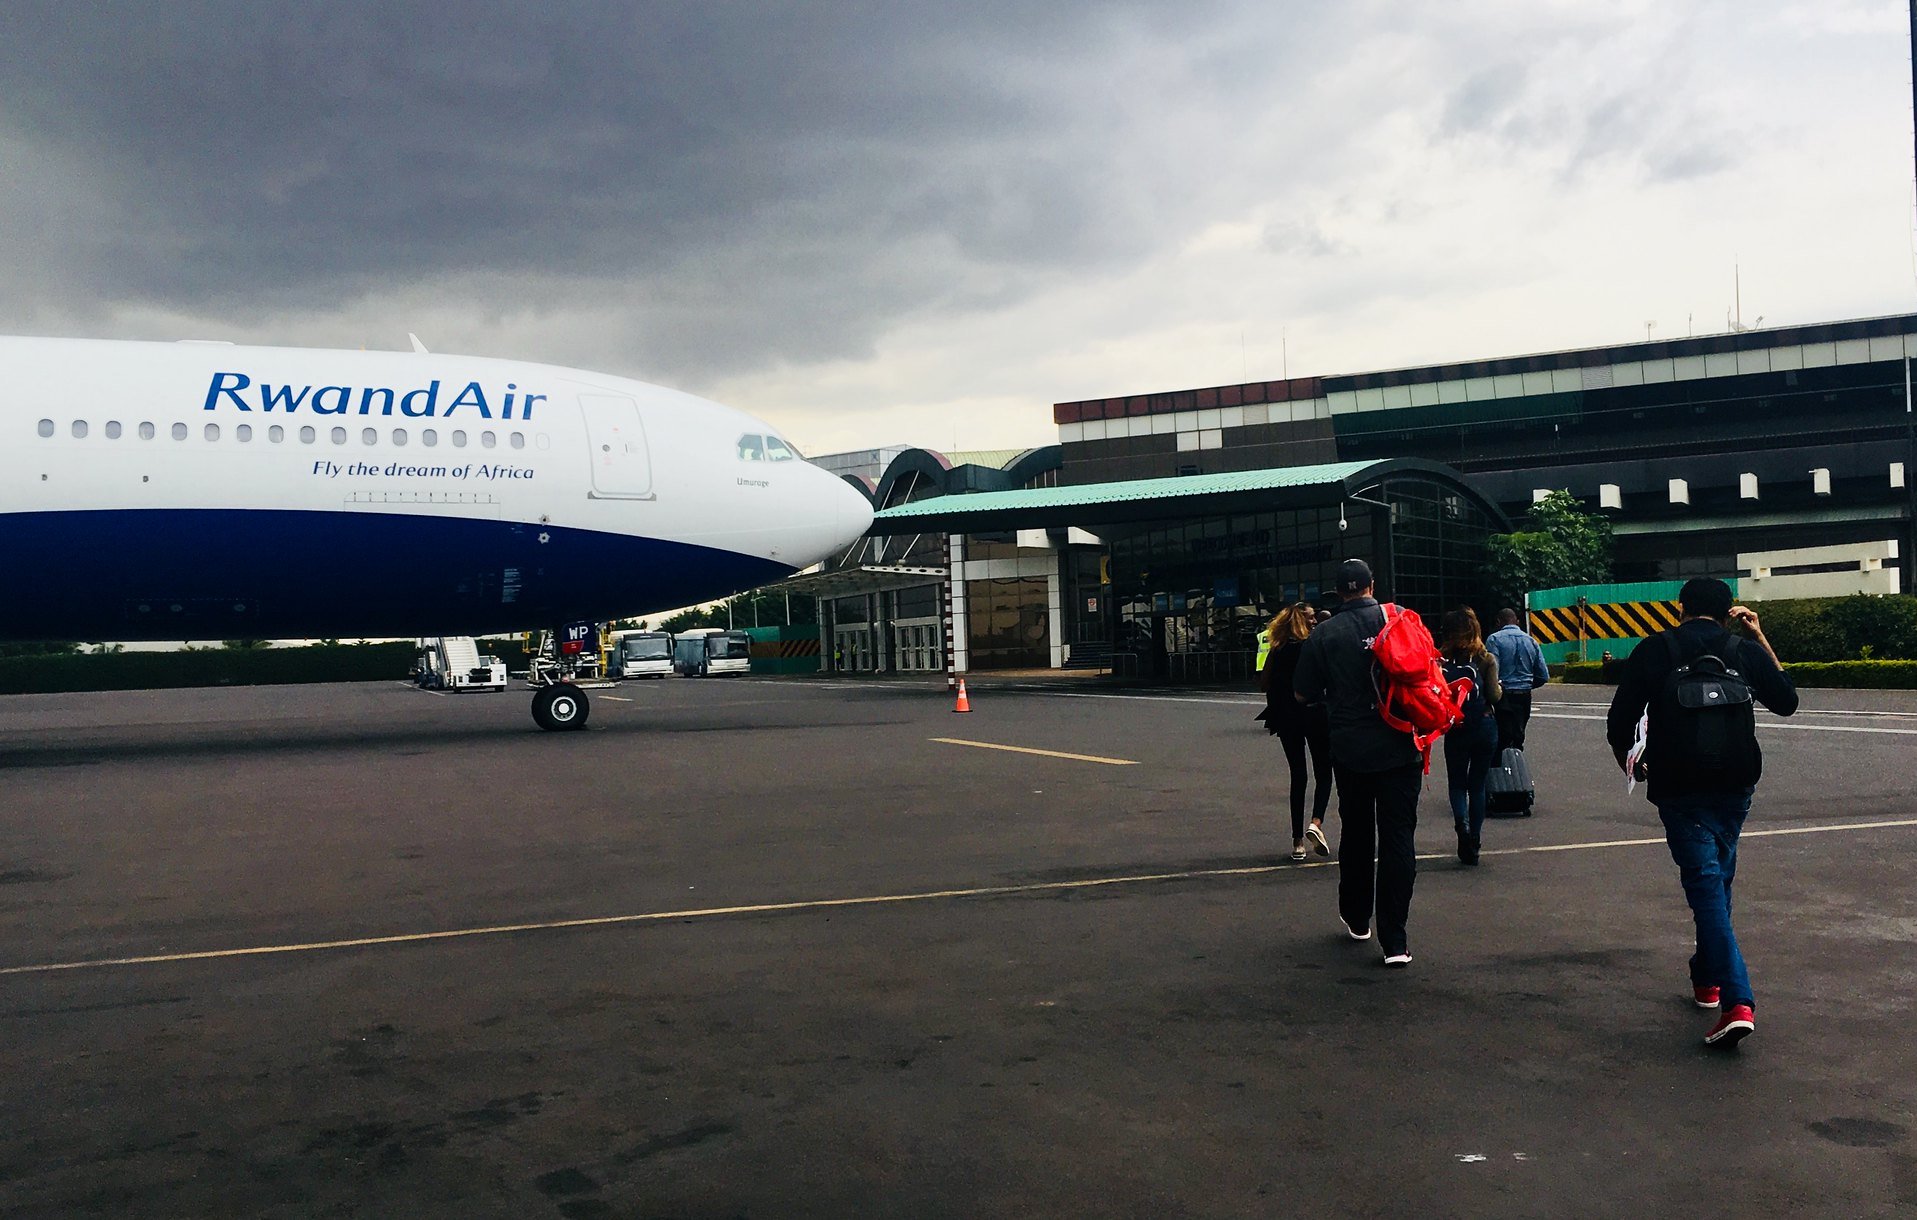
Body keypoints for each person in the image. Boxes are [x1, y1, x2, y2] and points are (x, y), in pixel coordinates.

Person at [1604, 578, 1797, 1049]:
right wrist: (1757, 636)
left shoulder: (1656, 649)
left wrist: (1632, 761)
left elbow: (1620, 719)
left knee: (1707, 886)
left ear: (1681, 607)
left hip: (1680, 786)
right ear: (1729, 610)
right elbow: (1787, 702)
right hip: (1736, 784)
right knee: (1718, 880)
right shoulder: (1741, 648)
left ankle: (1737, 1001)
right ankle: (1705, 977)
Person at [1292, 558, 1422, 967]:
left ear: (1339, 592)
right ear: (1371, 585)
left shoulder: (1325, 633)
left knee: (1358, 832)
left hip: (1350, 748)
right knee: (1399, 836)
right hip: (1402, 742)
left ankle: (1356, 916)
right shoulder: (1400, 618)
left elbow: (1302, 693)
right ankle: (1396, 941)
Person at [1256, 603, 1331, 861]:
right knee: (1324, 771)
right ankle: (1316, 822)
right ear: (1301, 620)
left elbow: (1264, 682)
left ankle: (1297, 840)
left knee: (1298, 775)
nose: (1314, 622)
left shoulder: (1277, 649)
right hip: (1313, 714)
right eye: (1310, 618)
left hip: (1286, 717)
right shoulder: (1311, 648)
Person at [1438, 608, 1501, 866]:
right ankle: (1474, 838)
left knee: (1457, 783)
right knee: (1477, 784)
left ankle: (1460, 825)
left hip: (1456, 726)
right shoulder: (1486, 658)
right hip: (1484, 725)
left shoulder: (1442, 659)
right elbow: (1494, 695)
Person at [1486, 609, 1550, 753]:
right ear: (1518, 622)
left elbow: (1492, 672)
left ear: (1498, 622)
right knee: (1518, 736)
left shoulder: (1494, 639)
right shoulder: (1531, 640)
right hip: (1524, 694)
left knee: (1502, 738)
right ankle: (1517, 766)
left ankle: (1502, 770)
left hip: (1503, 695)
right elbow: (1543, 675)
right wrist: (1527, 683)